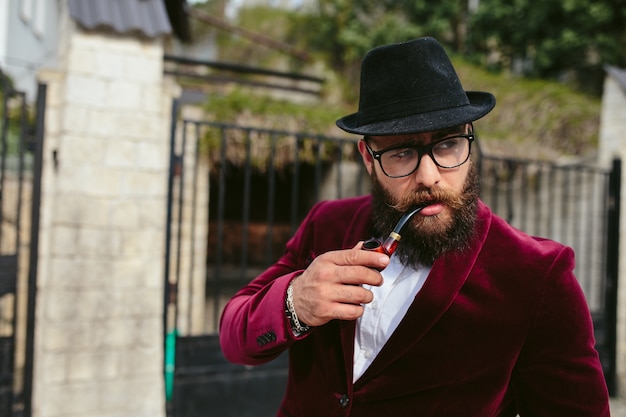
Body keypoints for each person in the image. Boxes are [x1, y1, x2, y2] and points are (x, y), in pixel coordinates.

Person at [219, 37, 610, 416]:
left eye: (447, 145)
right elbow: (235, 338)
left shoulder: (537, 274)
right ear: (368, 158)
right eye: (402, 152)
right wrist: (296, 302)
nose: (429, 176)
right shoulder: (328, 223)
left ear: (470, 144)